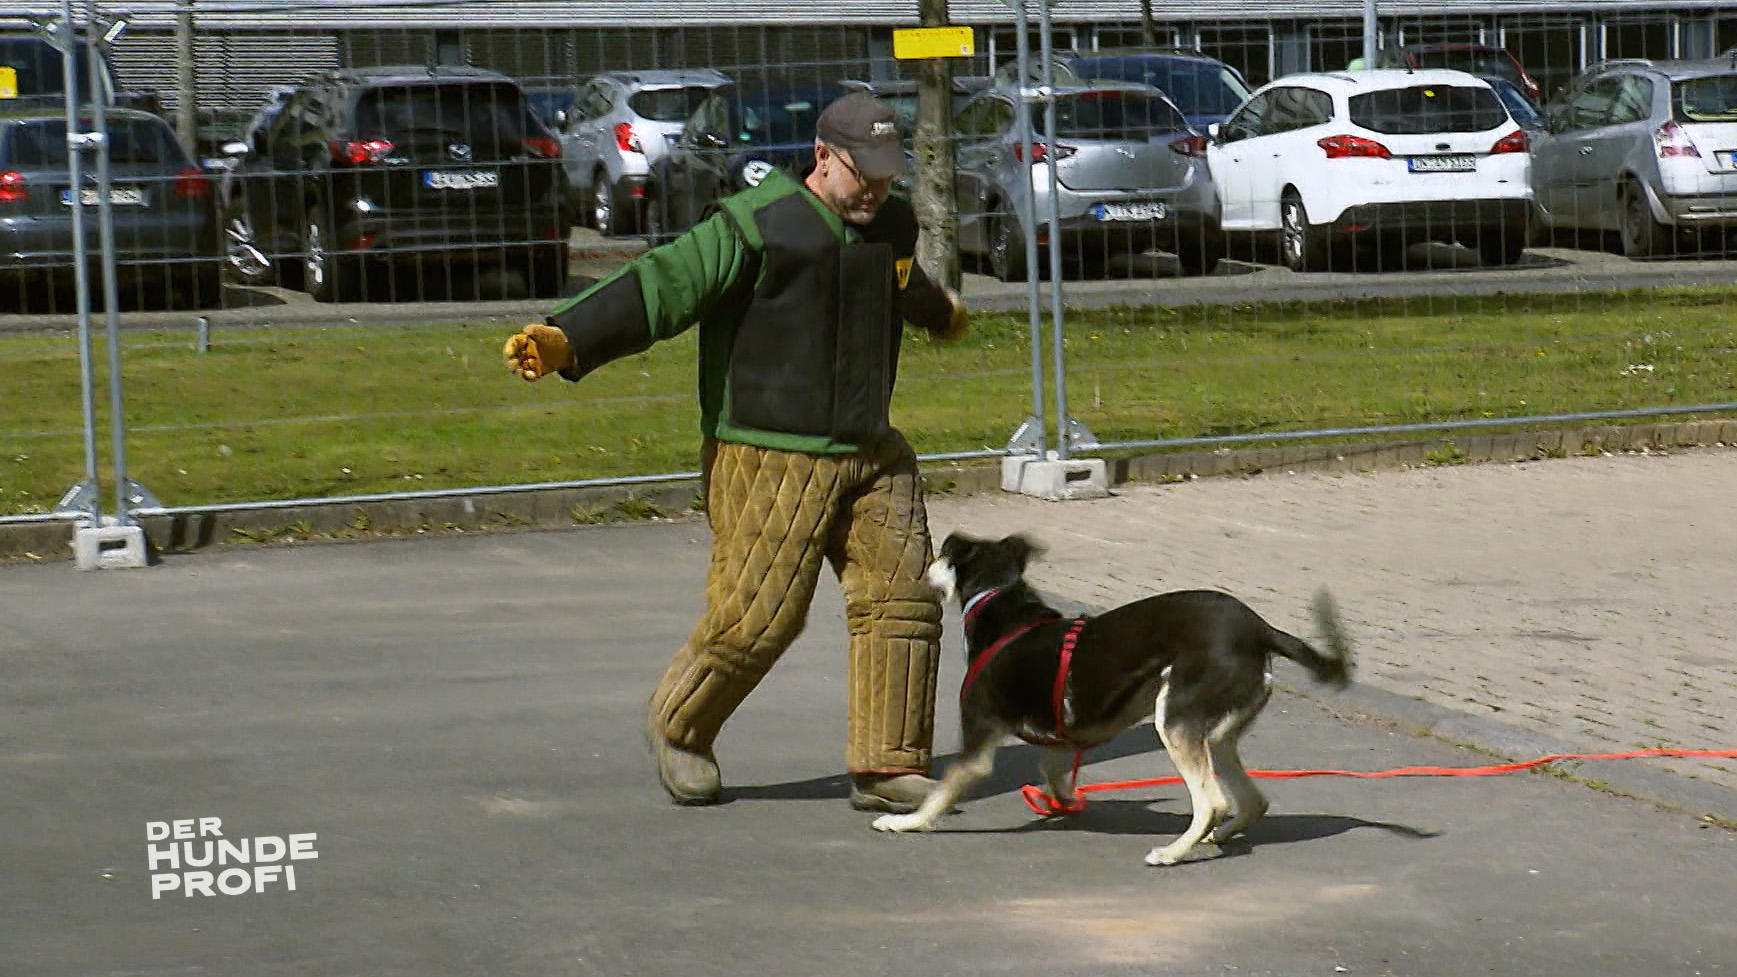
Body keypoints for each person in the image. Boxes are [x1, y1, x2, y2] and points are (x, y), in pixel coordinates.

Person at [502, 92, 969, 814]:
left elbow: (900, 285)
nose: (875, 190)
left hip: (869, 447)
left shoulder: (892, 223)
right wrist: (568, 338)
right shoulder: (753, 227)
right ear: (822, 157)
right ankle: (680, 727)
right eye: (861, 173)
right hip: (766, 452)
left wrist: (940, 314)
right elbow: (661, 285)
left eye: (886, 173)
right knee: (758, 617)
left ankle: (886, 763)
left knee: (903, 598)